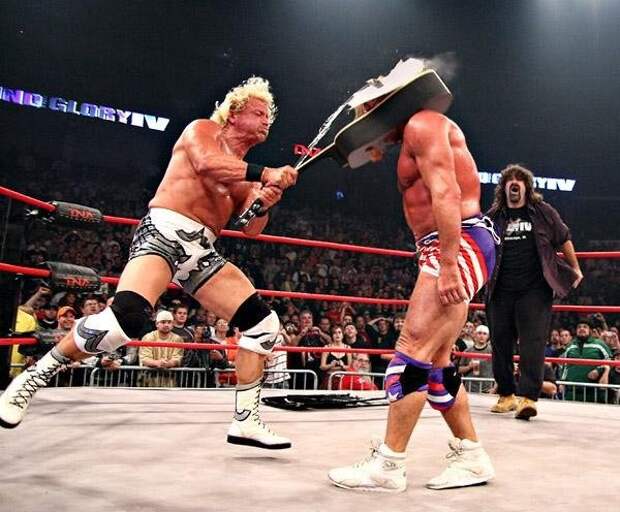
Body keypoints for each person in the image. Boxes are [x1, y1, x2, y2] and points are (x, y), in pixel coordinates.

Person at [0, 76, 298, 450]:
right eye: (259, 112)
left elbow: (251, 228)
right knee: (124, 320)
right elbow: (208, 165)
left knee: (263, 325)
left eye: (269, 115)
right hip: (162, 233)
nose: (267, 119)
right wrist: (266, 174)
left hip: (201, 251)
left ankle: (246, 422)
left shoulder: (245, 174)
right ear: (235, 113)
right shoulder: (203, 131)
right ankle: (30, 380)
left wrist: (265, 201)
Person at [329, 78, 497, 492]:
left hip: (457, 240)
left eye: (368, 112)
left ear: (387, 103)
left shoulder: (424, 123)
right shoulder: (415, 132)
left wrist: (449, 263)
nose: (365, 121)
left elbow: (446, 192)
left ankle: (388, 466)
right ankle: (472, 457)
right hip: (448, 242)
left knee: (410, 353)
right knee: (436, 366)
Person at [485, 164, 583, 419]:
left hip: (534, 289)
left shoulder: (543, 211)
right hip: (500, 289)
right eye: (510, 180)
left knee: (533, 342)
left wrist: (575, 267)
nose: (514, 183)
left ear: (527, 187)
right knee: (500, 342)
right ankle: (506, 395)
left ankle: (528, 398)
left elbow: (563, 237)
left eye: (519, 180)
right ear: (504, 187)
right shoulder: (494, 216)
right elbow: (480, 244)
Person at [139, 310, 184, 387]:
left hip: (170, 381)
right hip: (149, 380)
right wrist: (157, 363)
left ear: (172, 324)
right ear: (157, 324)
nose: (166, 325)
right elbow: (145, 358)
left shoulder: (177, 339)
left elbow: (177, 358)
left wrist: (168, 363)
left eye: (169, 322)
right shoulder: (148, 337)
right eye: (163, 322)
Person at [457, 325, 494, 393]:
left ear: (488, 336)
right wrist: (469, 367)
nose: (482, 336)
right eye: (479, 333)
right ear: (475, 335)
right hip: (470, 388)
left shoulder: (492, 351)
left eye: (484, 334)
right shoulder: (467, 351)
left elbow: (499, 370)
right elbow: (459, 370)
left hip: (487, 389)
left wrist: (494, 388)